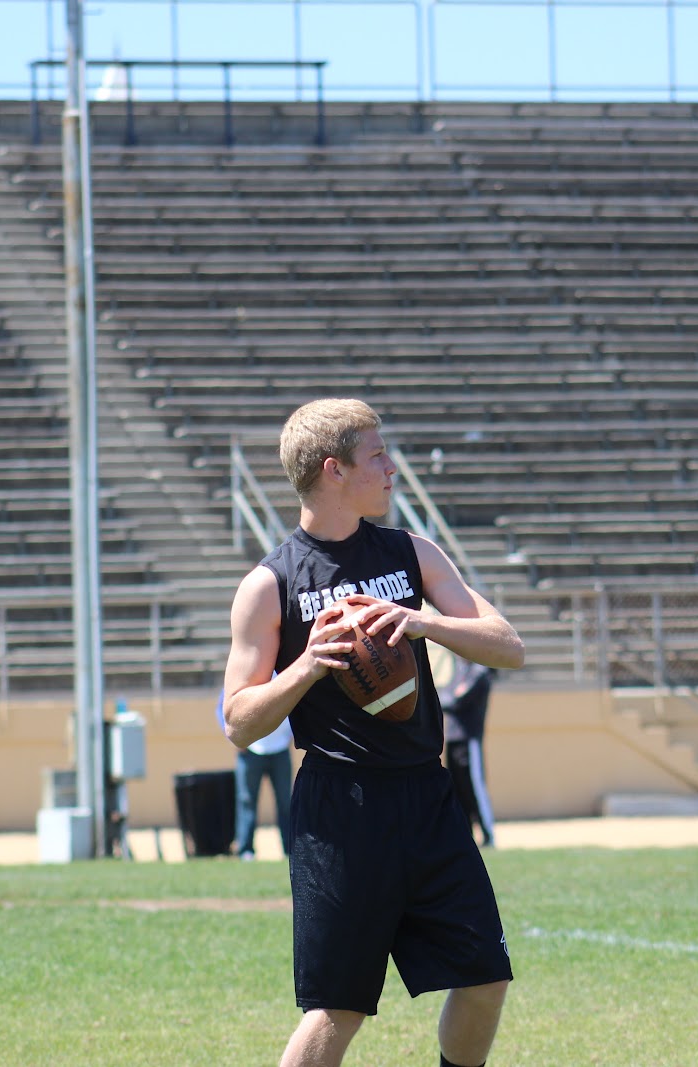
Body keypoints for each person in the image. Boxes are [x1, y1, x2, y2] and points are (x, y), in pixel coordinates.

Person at [221, 398, 525, 1067]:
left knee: (485, 979)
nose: (392, 468)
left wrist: (422, 623)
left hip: (427, 796)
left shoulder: (410, 553)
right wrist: (308, 664)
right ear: (335, 470)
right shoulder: (271, 584)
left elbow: (507, 643)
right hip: (341, 811)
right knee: (338, 1007)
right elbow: (240, 721)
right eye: (377, 456)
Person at [217, 688, 295, 861]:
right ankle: (245, 849)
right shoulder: (249, 669)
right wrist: (233, 736)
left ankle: (290, 849)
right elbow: (222, 707)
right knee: (246, 800)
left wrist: (291, 734)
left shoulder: (285, 667)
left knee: (285, 802)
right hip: (250, 751)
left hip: (280, 750)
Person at [440, 657, 497, 849]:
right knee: (458, 789)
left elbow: (457, 700)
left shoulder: (479, 672)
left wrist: (434, 698)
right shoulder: (461, 671)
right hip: (453, 739)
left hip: (469, 739)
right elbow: (449, 695)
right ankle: (467, 836)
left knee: (476, 788)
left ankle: (488, 835)